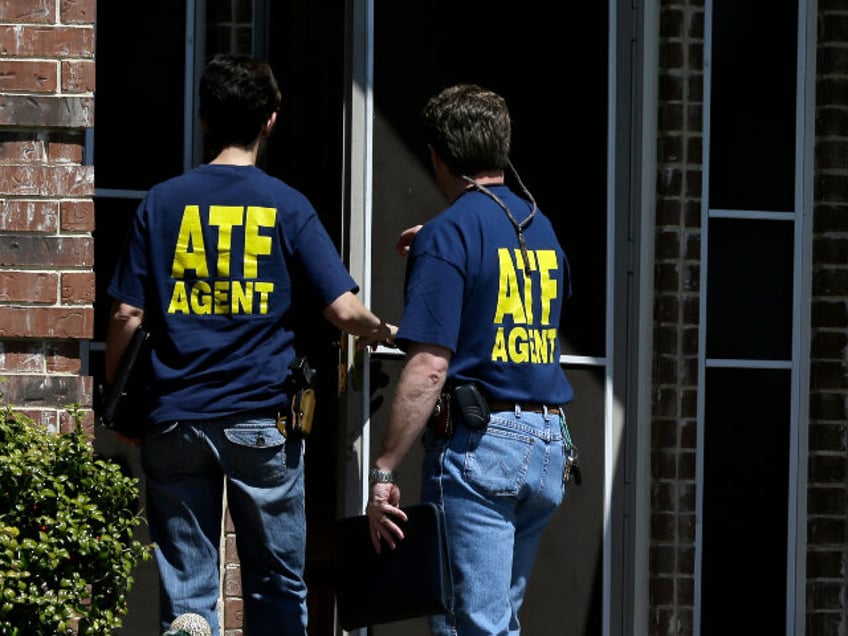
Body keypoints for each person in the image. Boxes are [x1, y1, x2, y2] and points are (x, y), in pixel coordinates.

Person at [104, 53, 395, 636]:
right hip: (262, 422)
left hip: (176, 419)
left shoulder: (162, 202)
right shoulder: (287, 205)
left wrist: (119, 401)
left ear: (204, 119)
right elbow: (341, 309)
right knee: (276, 584)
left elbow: (127, 314)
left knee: (188, 592)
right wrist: (383, 331)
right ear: (271, 121)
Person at [365, 84, 578, 635]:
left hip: (484, 450)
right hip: (547, 445)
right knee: (497, 623)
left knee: (470, 628)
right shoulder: (543, 229)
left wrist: (384, 468)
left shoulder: (451, 234)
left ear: (437, 156)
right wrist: (443, 243)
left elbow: (431, 364)